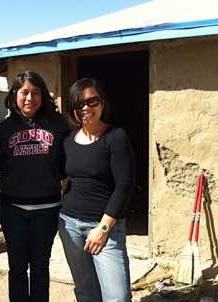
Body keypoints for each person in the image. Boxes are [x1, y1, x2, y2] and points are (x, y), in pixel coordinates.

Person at [0, 71, 71, 302]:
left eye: (36, 93)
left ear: (44, 96)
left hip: (47, 209)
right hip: (13, 209)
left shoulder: (58, 125)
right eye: (24, 92)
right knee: (16, 267)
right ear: (14, 95)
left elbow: (72, 158)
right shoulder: (4, 129)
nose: (30, 98)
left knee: (40, 267)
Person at [58, 78, 134, 302]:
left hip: (105, 228)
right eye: (79, 103)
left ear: (103, 104)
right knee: (86, 292)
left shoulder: (116, 137)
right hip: (69, 224)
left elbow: (124, 185)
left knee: (117, 296)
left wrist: (103, 228)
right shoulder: (68, 141)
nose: (86, 108)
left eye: (92, 101)